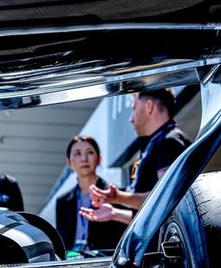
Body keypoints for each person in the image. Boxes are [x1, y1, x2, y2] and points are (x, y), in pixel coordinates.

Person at [80, 89, 192, 225]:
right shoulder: (157, 142)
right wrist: (115, 213)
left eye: (134, 108)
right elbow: (153, 215)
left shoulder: (170, 141)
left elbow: (166, 200)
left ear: (149, 107)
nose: (131, 118)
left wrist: (118, 198)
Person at [55, 135, 124, 253]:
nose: (84, 159)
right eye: (77, 153)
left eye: (90, 152)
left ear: (99, 158)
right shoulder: (63, 201)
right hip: (71, 265)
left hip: (104, 264)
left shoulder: (114, 194)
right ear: (69, 162)